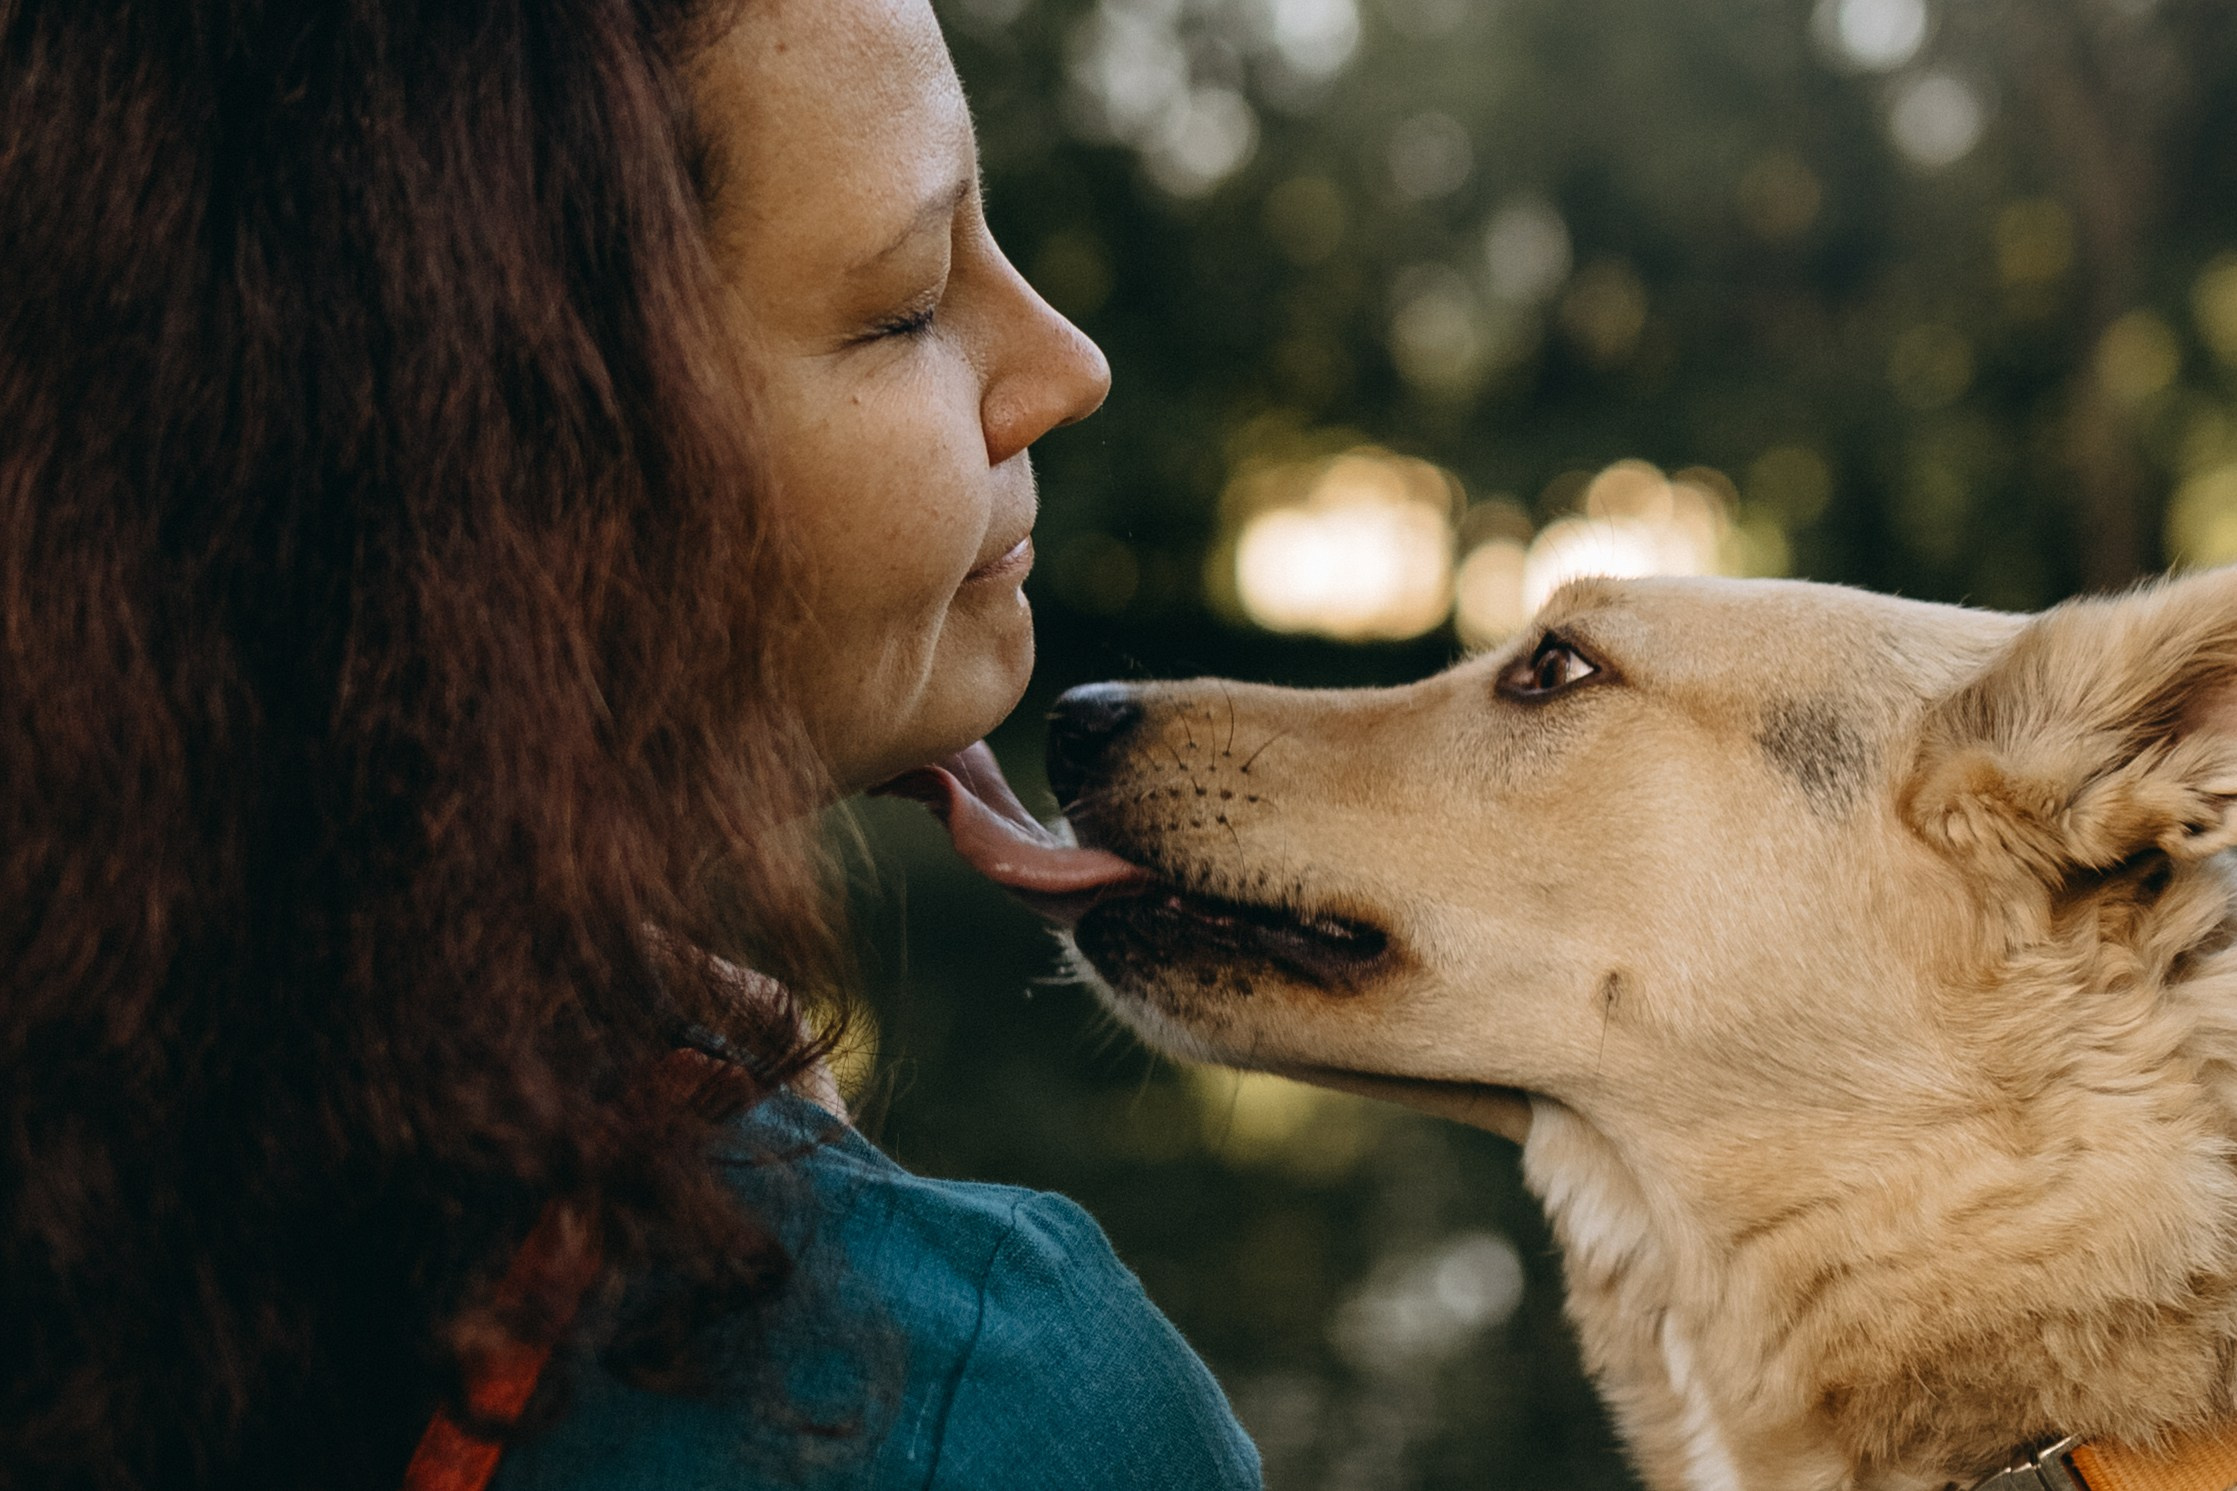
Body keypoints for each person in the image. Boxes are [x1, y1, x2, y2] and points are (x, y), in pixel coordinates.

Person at [0, 1, 1260, 1488]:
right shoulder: (977, 1411)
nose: (1067, 364)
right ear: (515, 482)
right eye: (909, 302)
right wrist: (836, 1246)